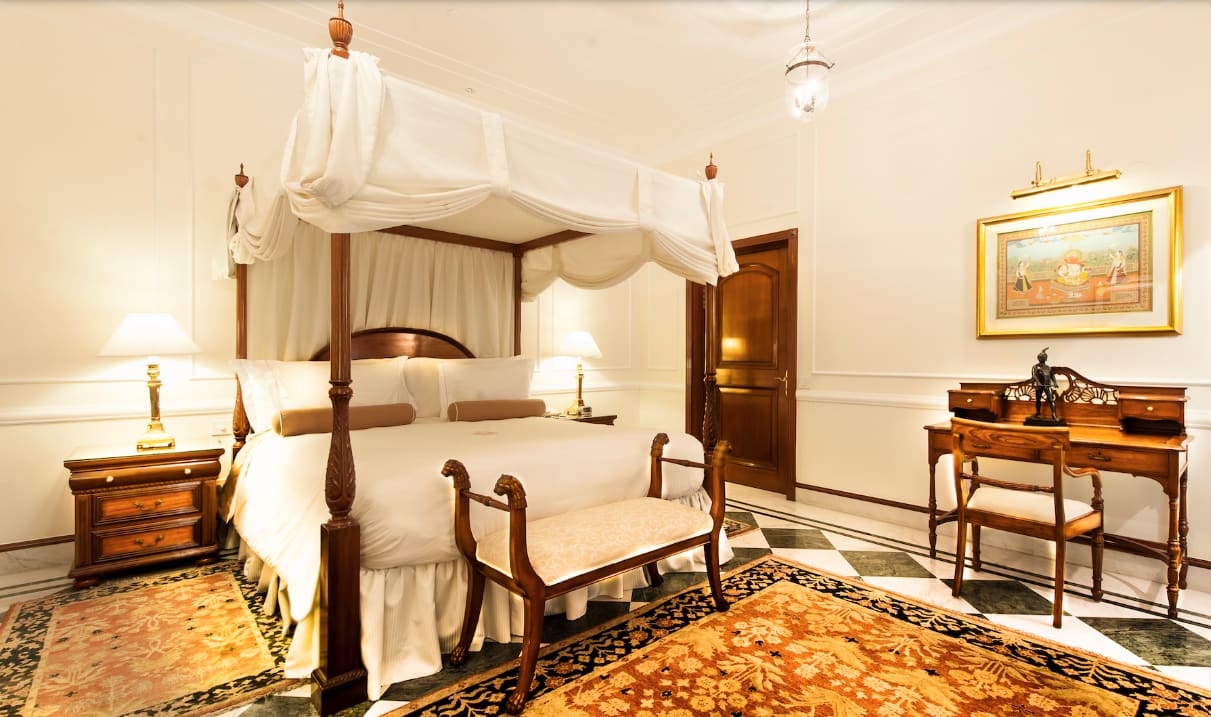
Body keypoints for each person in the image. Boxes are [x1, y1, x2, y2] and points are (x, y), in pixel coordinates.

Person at [1032, 347, 1058, 421]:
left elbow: (1052, 375)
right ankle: (1037, 412)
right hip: (1040, 386)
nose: (1042, 358)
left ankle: (1053, 414)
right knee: (1038, 399)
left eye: (1044, 357)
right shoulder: (1036, 367)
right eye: (1041, 357)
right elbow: (1035, 376)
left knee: (1050, 400)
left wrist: (1055, 383)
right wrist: (1039, 383)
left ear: (1046, 359)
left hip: (1047, 385)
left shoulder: (1048, 367)